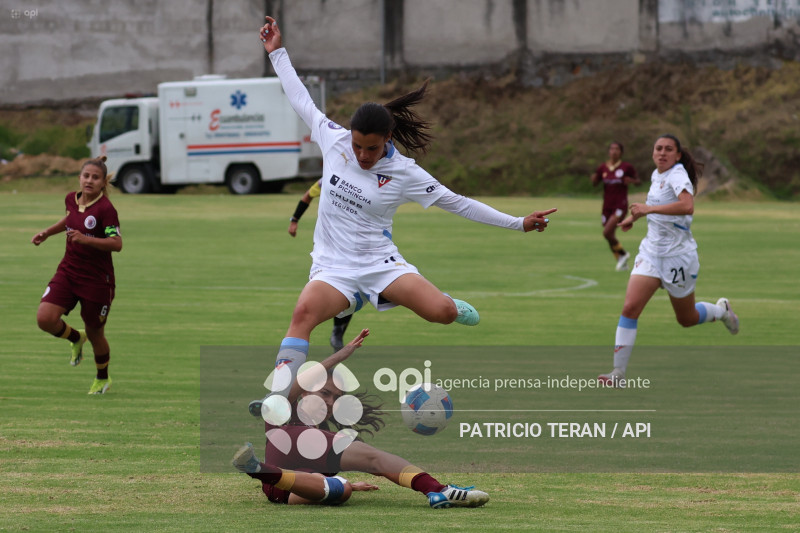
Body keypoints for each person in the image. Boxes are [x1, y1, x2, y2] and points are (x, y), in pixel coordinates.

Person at [250, 16, 556, 414]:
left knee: (441, 314)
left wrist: (518, 222)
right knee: (302, 313)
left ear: (387, 140)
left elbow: (458, 202)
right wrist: (277, 52)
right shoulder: (334, 139)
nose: (362, 155)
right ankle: (276, 400)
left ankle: (451, 304)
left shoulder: (405, 173)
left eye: (371, 149)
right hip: (333, 267)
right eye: (358, 146)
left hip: (380, 264)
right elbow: (299, 97)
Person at [232, 328, 490, 508]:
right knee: (342, 477)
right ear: (305, 393)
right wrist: (341, 355)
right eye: (324, 392)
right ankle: (261, 470)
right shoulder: (284, 413)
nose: (330, 401)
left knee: (342, 487)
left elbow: (375, 461)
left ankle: (437, 490)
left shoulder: (326, 437)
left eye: (335, 397)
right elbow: (298, 382)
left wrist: (351, 485)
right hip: (279, 487)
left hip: (299, 490)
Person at [598, 134, 739, 388]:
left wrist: (647, 210)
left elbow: (687, 206)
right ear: (653, 153)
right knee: (630, 308)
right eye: (658, 148)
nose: (662, 153)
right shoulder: (656, 175)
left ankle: (721, 311)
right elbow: (657, 209)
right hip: (651, 254)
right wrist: (636, 217)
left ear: (677, 155)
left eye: (668, 149)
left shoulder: (677, 175)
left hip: (678, 259)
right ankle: (617, 373)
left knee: (686, 319)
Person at [32, 156, 122, 394]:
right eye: (86, 176)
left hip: (96, 280)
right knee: (45, 318)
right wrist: (48, 232)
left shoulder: (106, 209)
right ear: (80, 178)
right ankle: (75, 338)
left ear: (103, 183)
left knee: (95, 332)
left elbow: (117, 243)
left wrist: (85, 239)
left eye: (95, 177)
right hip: (68, 271)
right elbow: (70, 220)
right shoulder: (71, 198)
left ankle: (102, 378)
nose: (89, 181)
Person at [288, 178, 352, 351]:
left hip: (356, 243)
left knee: (355, 289)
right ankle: (337, 330)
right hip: (331, 246)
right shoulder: (328, 180)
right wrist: (294, 219)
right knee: (345, 287)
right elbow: (307, 197)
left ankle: (338, 329)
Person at [590, 141, 640, 271]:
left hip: (620, 205)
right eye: (612, 149)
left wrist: (632, 181)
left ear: (621, 152)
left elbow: (638, 181)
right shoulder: (603, 167)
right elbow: (595, 183)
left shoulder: (626, 167)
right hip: (606, 206)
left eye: (617, 149)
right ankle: (621, 261)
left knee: (606, 232)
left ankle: (623, 255)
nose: (614, 151)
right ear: (609, 152)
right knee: (609, 234)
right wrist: (594, 179)